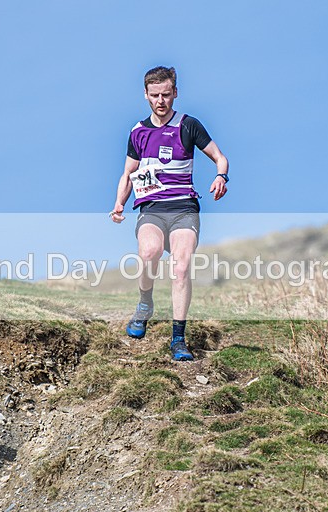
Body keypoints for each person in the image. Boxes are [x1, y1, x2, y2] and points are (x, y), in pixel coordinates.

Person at [109, 66, 229, 361]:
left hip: (183, 209)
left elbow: (219, 157)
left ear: (175, 93)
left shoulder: (189, 126)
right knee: (149, 253)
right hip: (152, 209)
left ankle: (178, 339)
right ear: (146, 96)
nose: (161, 101)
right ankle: (145, 304)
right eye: (155, 95)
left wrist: (221, 176)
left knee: (181, 267)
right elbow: (128, 173)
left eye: (166, 94)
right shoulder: (138, 132)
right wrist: (119, 204)